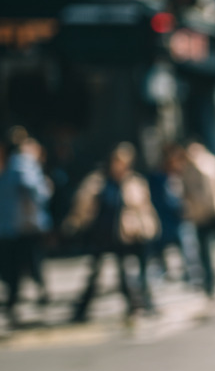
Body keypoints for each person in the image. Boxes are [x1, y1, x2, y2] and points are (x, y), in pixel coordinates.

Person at [63, 142, 160, 322]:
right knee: (94, 274)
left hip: (126, 235)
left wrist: (149, 227)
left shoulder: (134, 182)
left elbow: (145, 208)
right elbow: (82, 204)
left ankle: (137, 306)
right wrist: (74, 223)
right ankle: (81, 310)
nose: (120, 165)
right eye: (117, 161)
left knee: (126, 272)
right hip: (102, 235)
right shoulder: (98, 181)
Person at [0, 126, 53, 324]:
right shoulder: (23, 164)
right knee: (30, 262)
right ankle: (39, 294)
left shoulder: (7, 165)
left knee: (16, 268)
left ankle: (17, 302)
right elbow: (35, 191)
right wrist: (45, 190)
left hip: (10, 226)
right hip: (25, 226)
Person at [173, 139, 215, 299]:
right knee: (202, 249)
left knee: (208, 248)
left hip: (211, 213)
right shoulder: (190, 167)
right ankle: (208, 281)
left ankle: (211, 282)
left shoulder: (209, 166)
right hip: (199, 215)